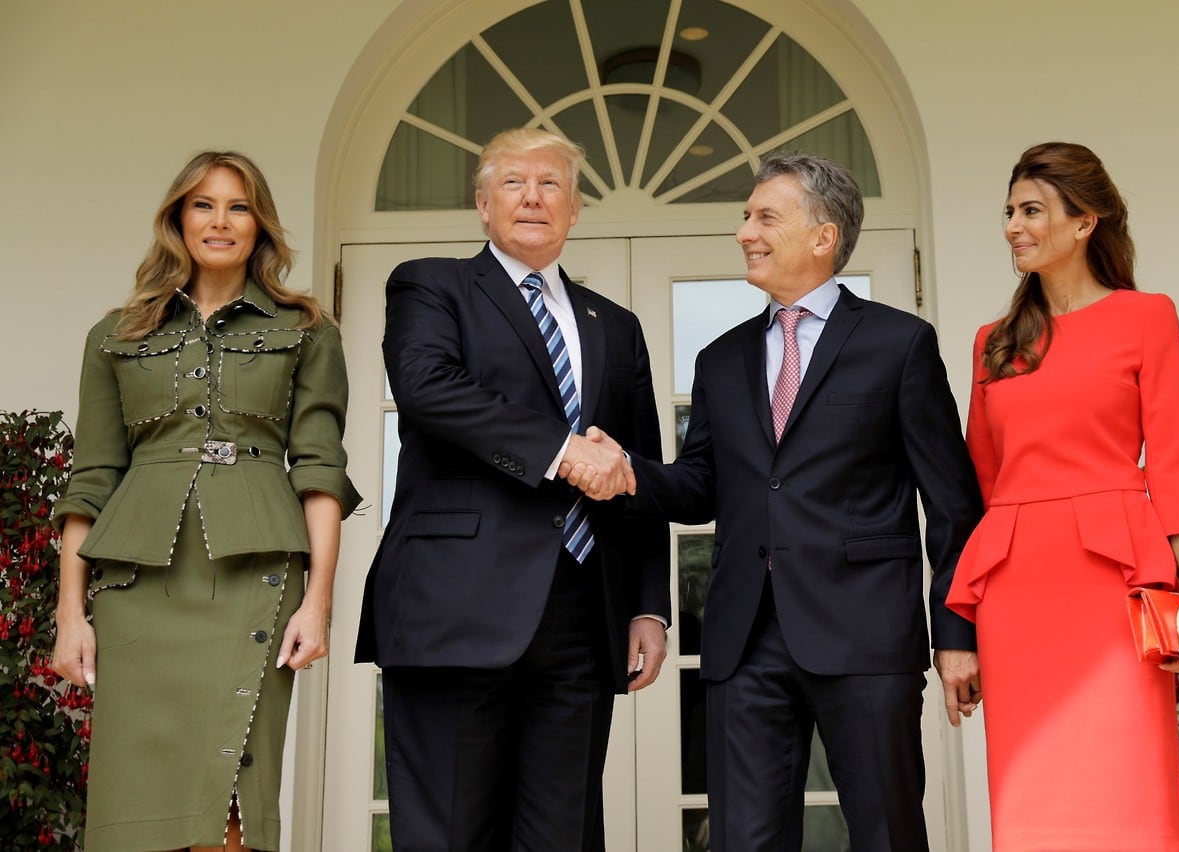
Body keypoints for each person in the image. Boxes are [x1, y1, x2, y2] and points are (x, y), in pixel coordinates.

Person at [568, 151, 985, 851]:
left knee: (888, 834)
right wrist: (630, 472)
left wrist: (957, 636)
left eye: (765, 216)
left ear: (823, 236)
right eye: (745, 217)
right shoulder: (720, 359)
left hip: (866, 637)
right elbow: (702, 485)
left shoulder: (899, 345)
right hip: (743, 640)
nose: (744, 232)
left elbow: (952, 507)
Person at [354, 127, 670, 851]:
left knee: (562, 835)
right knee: (451, 832)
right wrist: (561, 452)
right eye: (514, 183)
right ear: (482, 205)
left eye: (551, 183)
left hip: (582, 615)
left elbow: (634, 469)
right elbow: (430, 389)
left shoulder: (614, 327)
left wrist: (649, 605)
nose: (533, 197)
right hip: (453, 607)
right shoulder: (431, 285)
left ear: (576, 207)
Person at [51, 151, 361, 852]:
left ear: (260, 226)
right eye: (203, 204)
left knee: (232, 812)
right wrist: (71, 613)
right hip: (137, 591)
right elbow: (90, 478)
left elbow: (319, 472)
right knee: (136, 812)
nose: (220, 220)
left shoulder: (307, 330)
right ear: (177, 220)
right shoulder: (116, 334)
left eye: (239, 206)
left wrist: (319, 602)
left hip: (253, 578)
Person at [944, 141, 1179, 850]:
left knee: (1130, 782)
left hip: (1114, 587)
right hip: (1014, 590)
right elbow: (980, 483)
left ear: (1084, 221)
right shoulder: (992, 344)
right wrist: (962, 632)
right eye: (1009, 212)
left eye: (1032, 210)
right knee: (1033, 789)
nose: (1013, 226)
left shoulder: (1146, 317)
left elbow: (1175, 460)